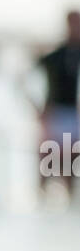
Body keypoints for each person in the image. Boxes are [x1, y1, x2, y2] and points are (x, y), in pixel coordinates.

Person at [37, 10, 80, 192]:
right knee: (51, 155)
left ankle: (70, 197)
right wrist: (42, 112)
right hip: (58, 112)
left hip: (74, 113)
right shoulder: (55, 56)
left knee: (73, 156)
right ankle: (45, 194)